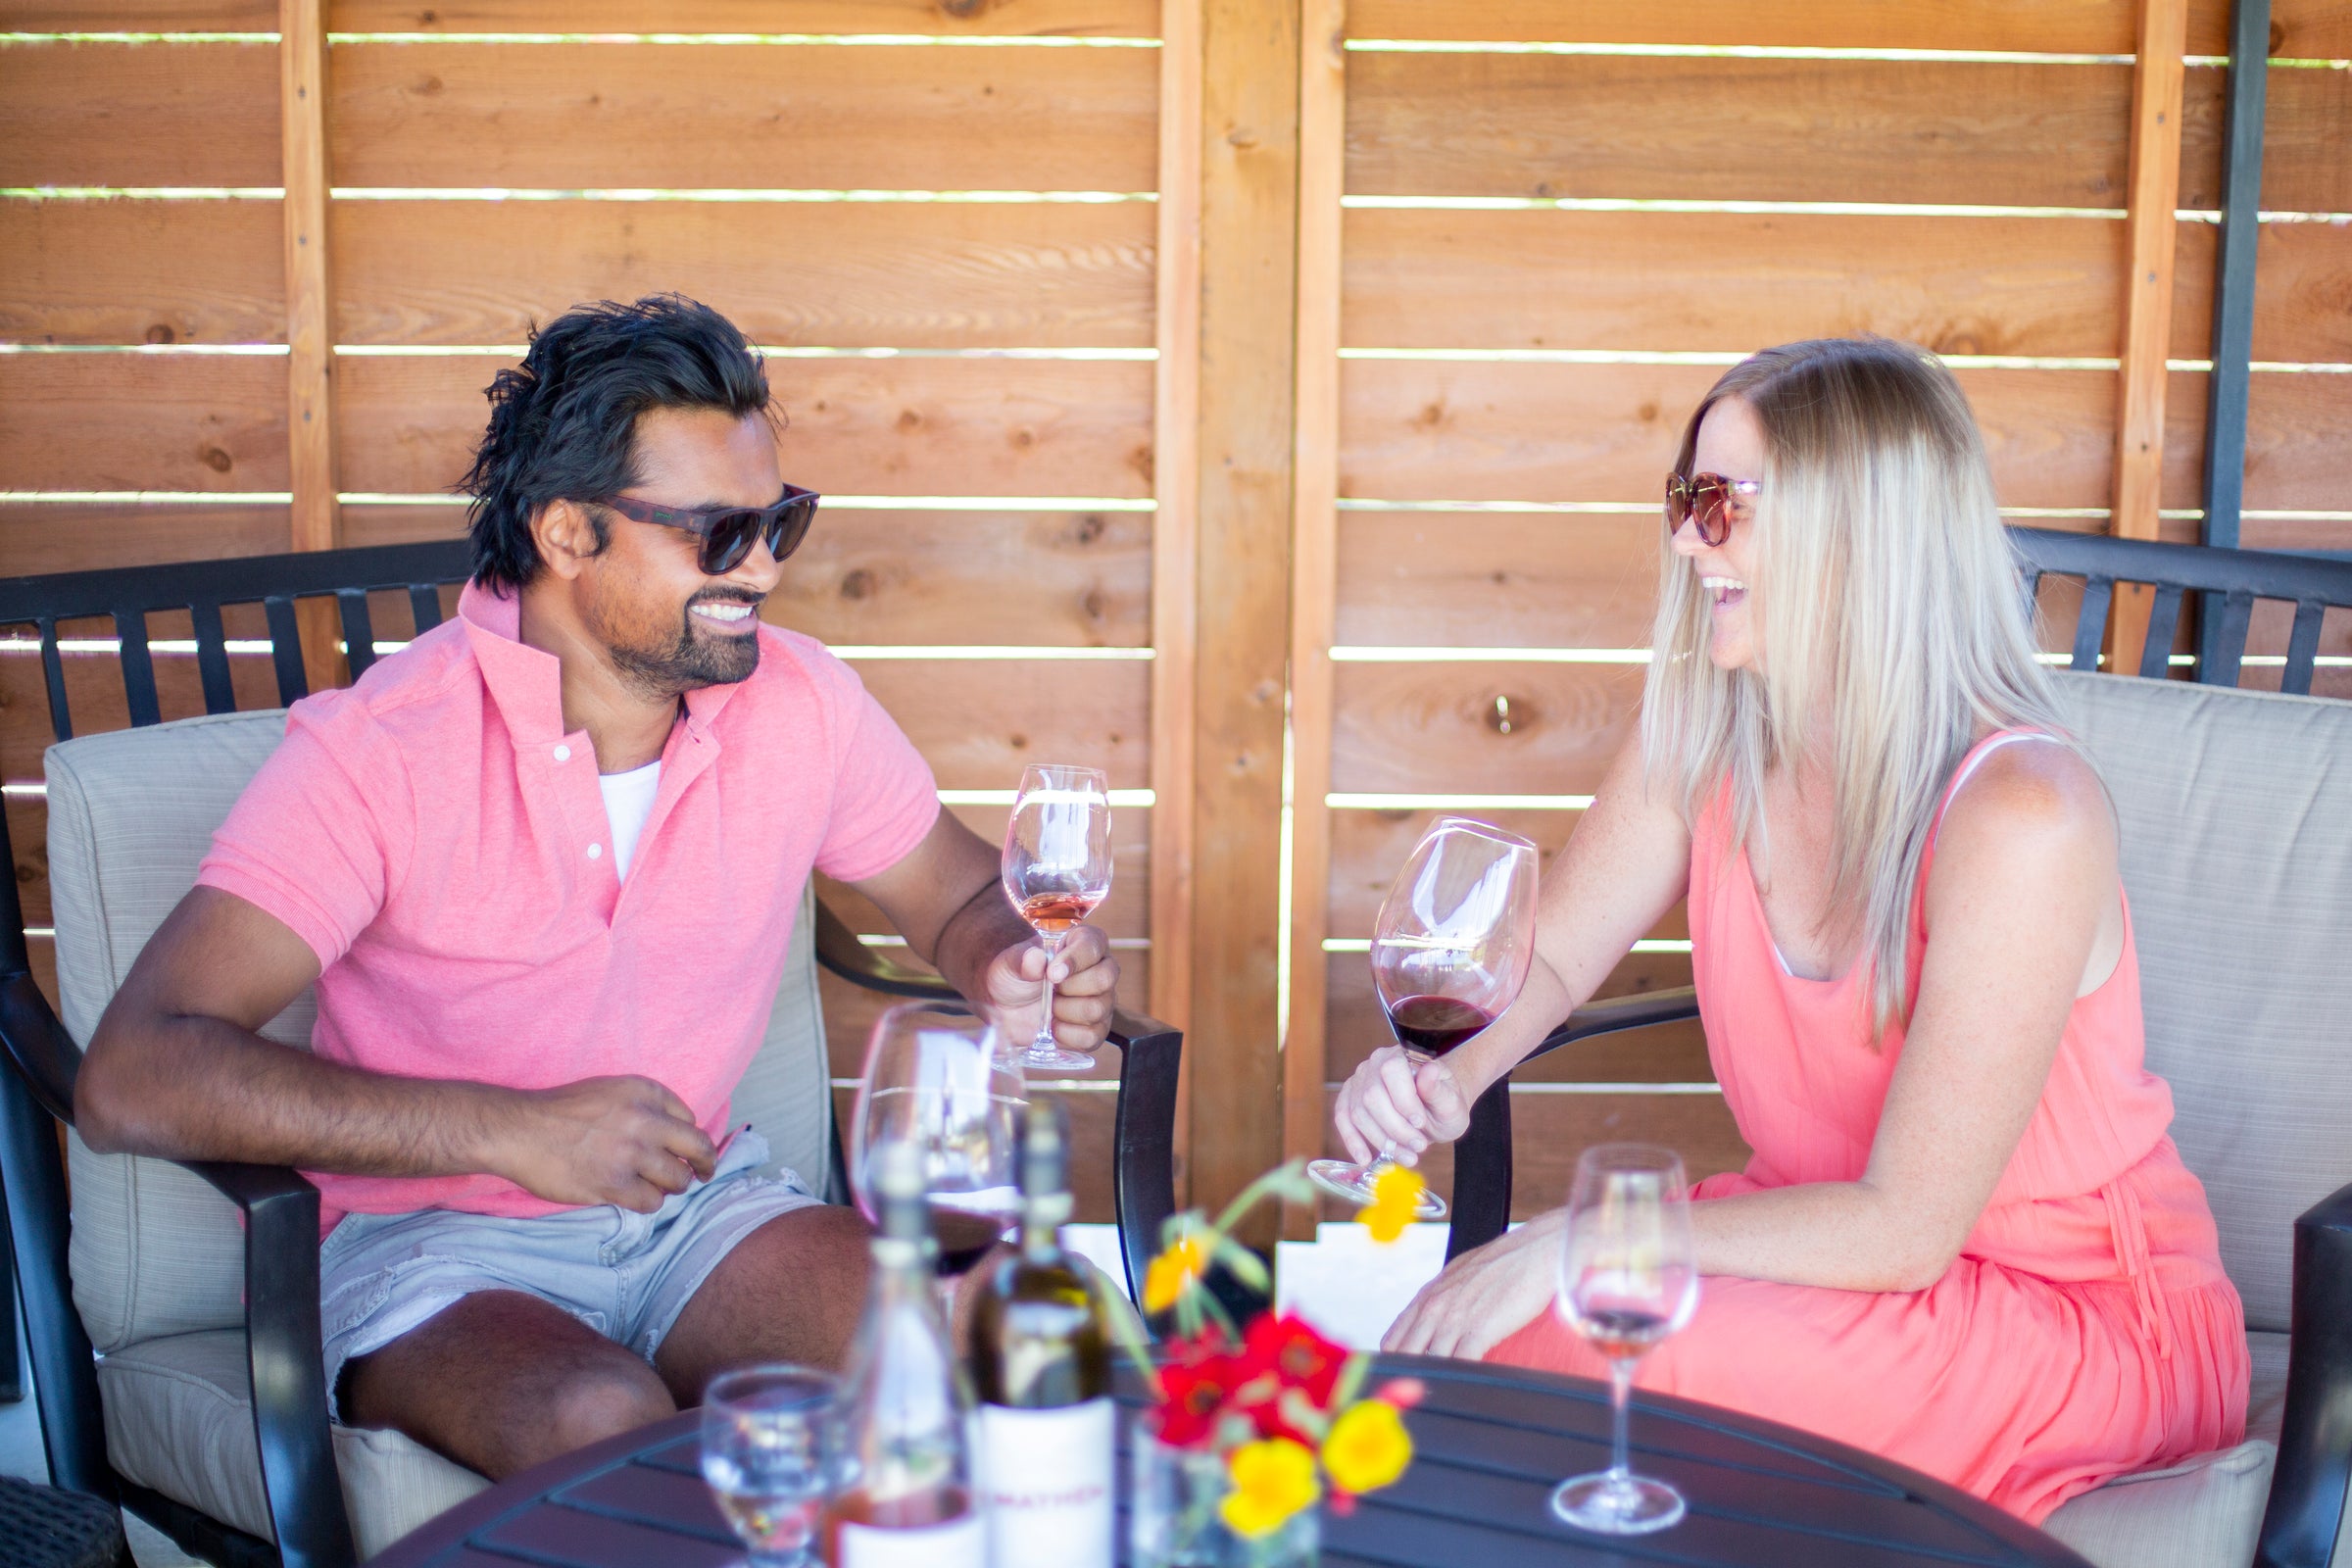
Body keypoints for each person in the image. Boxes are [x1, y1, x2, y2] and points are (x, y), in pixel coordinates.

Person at [73, 294, 1120, 1480]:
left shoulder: (802, 703)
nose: (765, 567)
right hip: (436, 1250)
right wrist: (510, 1132)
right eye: (720, 533)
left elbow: (952, 890)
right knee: (597, 1428)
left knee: (1023, 1325)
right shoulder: (378, 753)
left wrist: (1009, 957)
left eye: (783, 521)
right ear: (566, 532)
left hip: (702, 1219)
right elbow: (136, 1071)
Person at [1335, 338, 2247, 1521]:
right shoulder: (1704, 731)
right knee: (1477, 1368)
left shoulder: (2020, 815)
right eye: (1682, 496)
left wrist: (1572, 1242)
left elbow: (1911, 1227)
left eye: (1719, 504)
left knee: (1609, 1359)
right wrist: (1439, 1077)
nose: (1682, 538)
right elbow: (1552, 957)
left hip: (2060, 1312)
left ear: (1856, 531)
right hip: (1813, 1260)